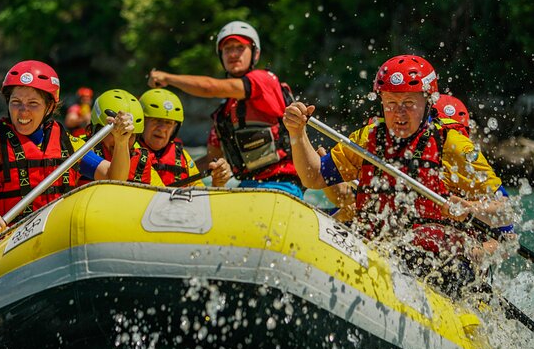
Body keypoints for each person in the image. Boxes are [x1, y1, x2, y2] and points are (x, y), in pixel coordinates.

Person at [283, 54, 512, 295]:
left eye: (409, 104)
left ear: (428, 101)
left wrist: (470, 207)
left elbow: (506, 211)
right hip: (375, 244)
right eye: (390, 103)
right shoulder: (367, 139)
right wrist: (297, 134)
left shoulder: (453, 146)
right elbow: (315, 177)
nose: (399, 114)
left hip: (433, 258)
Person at [0, 60, 134, 238]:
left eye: (33, 103)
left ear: (49, 107)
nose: (23, 111)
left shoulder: (67, 143)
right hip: (8, 243)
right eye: (16, 102)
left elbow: (114, 176)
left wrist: (120, 142)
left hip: (56, 239)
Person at [147, 20, 301, 198]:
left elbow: (209, 87)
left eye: (240, 47)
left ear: (255, 54)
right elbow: (212, 160)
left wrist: (168, 78)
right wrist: (167, 175)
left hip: (283, 185)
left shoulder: (265, 80)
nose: (233, 54)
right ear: (221, 56)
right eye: (227, 49)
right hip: (246, 187)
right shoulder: (223, 115)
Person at [137, 88, 232, 187]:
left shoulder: (182, 156)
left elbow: (200, 194)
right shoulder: (129, 153)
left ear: (175, 128)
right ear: (142, 121)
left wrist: (217, 184)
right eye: (156, 120)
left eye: (169, 123)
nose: (163, 128)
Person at [86, 89, 164, 186]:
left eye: (130, 135)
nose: (122, 138)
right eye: (113, 132)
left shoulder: (142, 163)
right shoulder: (78, 150)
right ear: (96, 130)